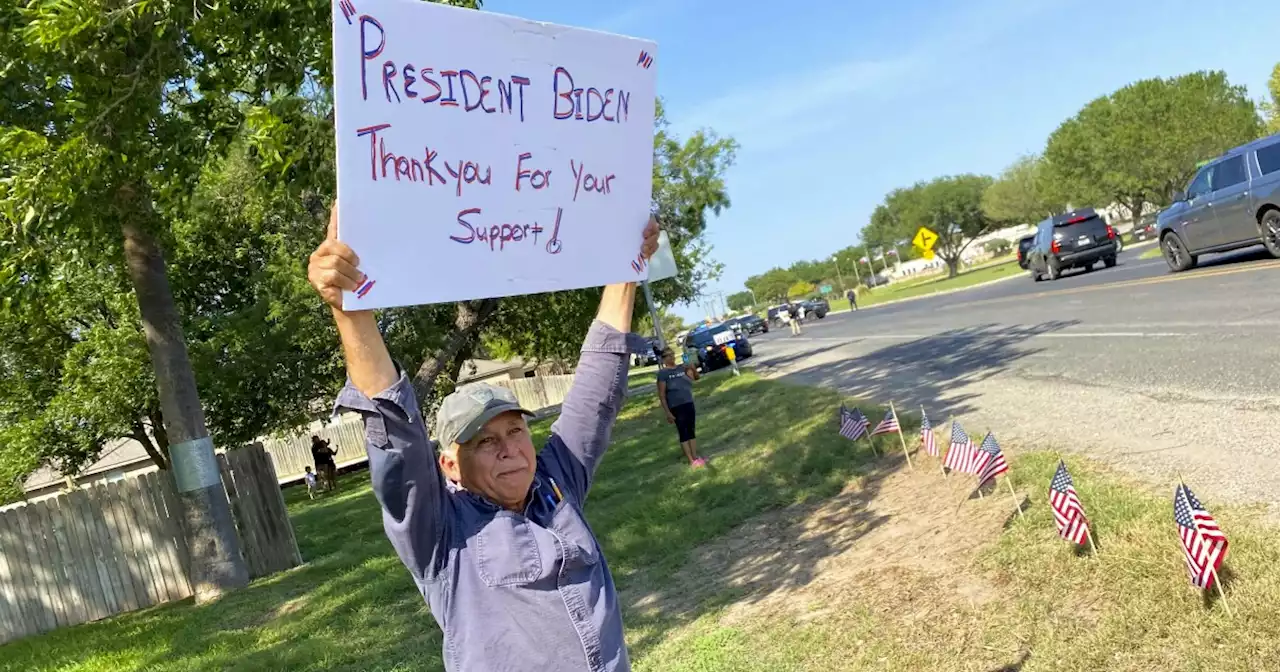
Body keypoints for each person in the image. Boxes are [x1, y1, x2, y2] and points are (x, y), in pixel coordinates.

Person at [308, 204, 659, 672]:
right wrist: (348, 310)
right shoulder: (438, 532)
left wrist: (625, 269)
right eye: (484, 441)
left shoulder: (558, 485)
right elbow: (396, 431)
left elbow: (598, 390)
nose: (509, 447)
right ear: (450, 465)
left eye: (515, 430)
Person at [656, 348, 705, 467]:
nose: (671, 357)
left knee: (691, 430)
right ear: (663, 359)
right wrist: (668, 413)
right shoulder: (663, 374)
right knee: (683, 432)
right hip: (676, 406)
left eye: (672, 354)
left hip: (688, 402)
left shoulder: (682, 368)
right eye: (668, 356)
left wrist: (692, 368)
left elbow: (696, 378)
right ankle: (691, 461)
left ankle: (695, 456)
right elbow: (662, 395)